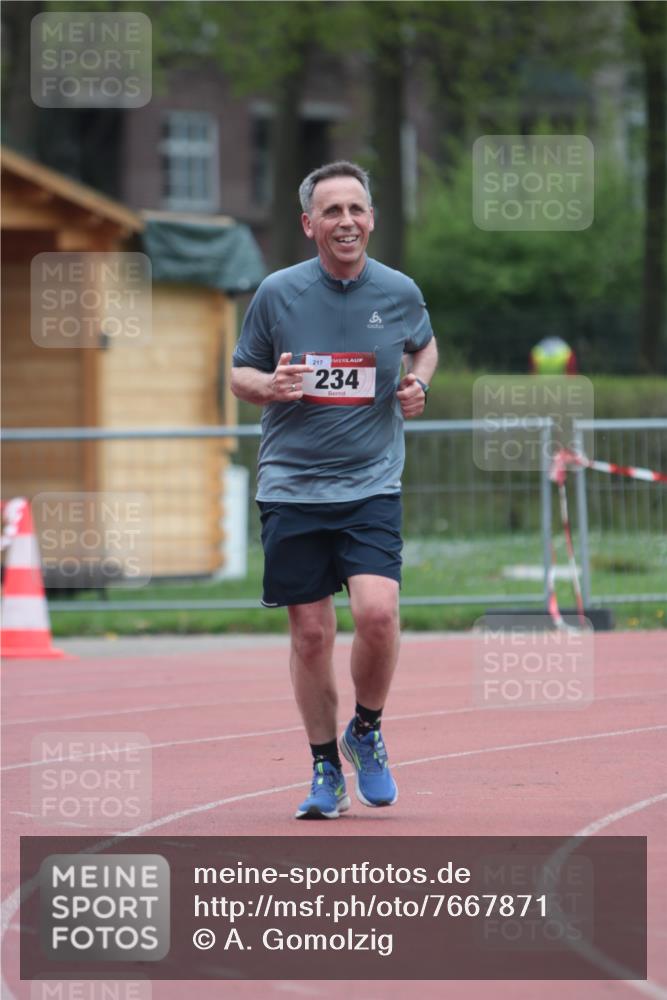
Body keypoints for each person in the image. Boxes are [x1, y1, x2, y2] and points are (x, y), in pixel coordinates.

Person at [231, 161, 438, 819]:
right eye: (331, 212)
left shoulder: (398, 290)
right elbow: (240, 373)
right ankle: (324, 768)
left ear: (370, 218)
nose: (345, 222)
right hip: (292, 486)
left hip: (370, 483)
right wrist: (268, 386)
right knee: (312, 634)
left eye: (355, 209)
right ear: (308, 224)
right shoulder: (277, 294)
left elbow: (424, 349)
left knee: (377, 613)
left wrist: (418, 385)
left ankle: (366, 729)